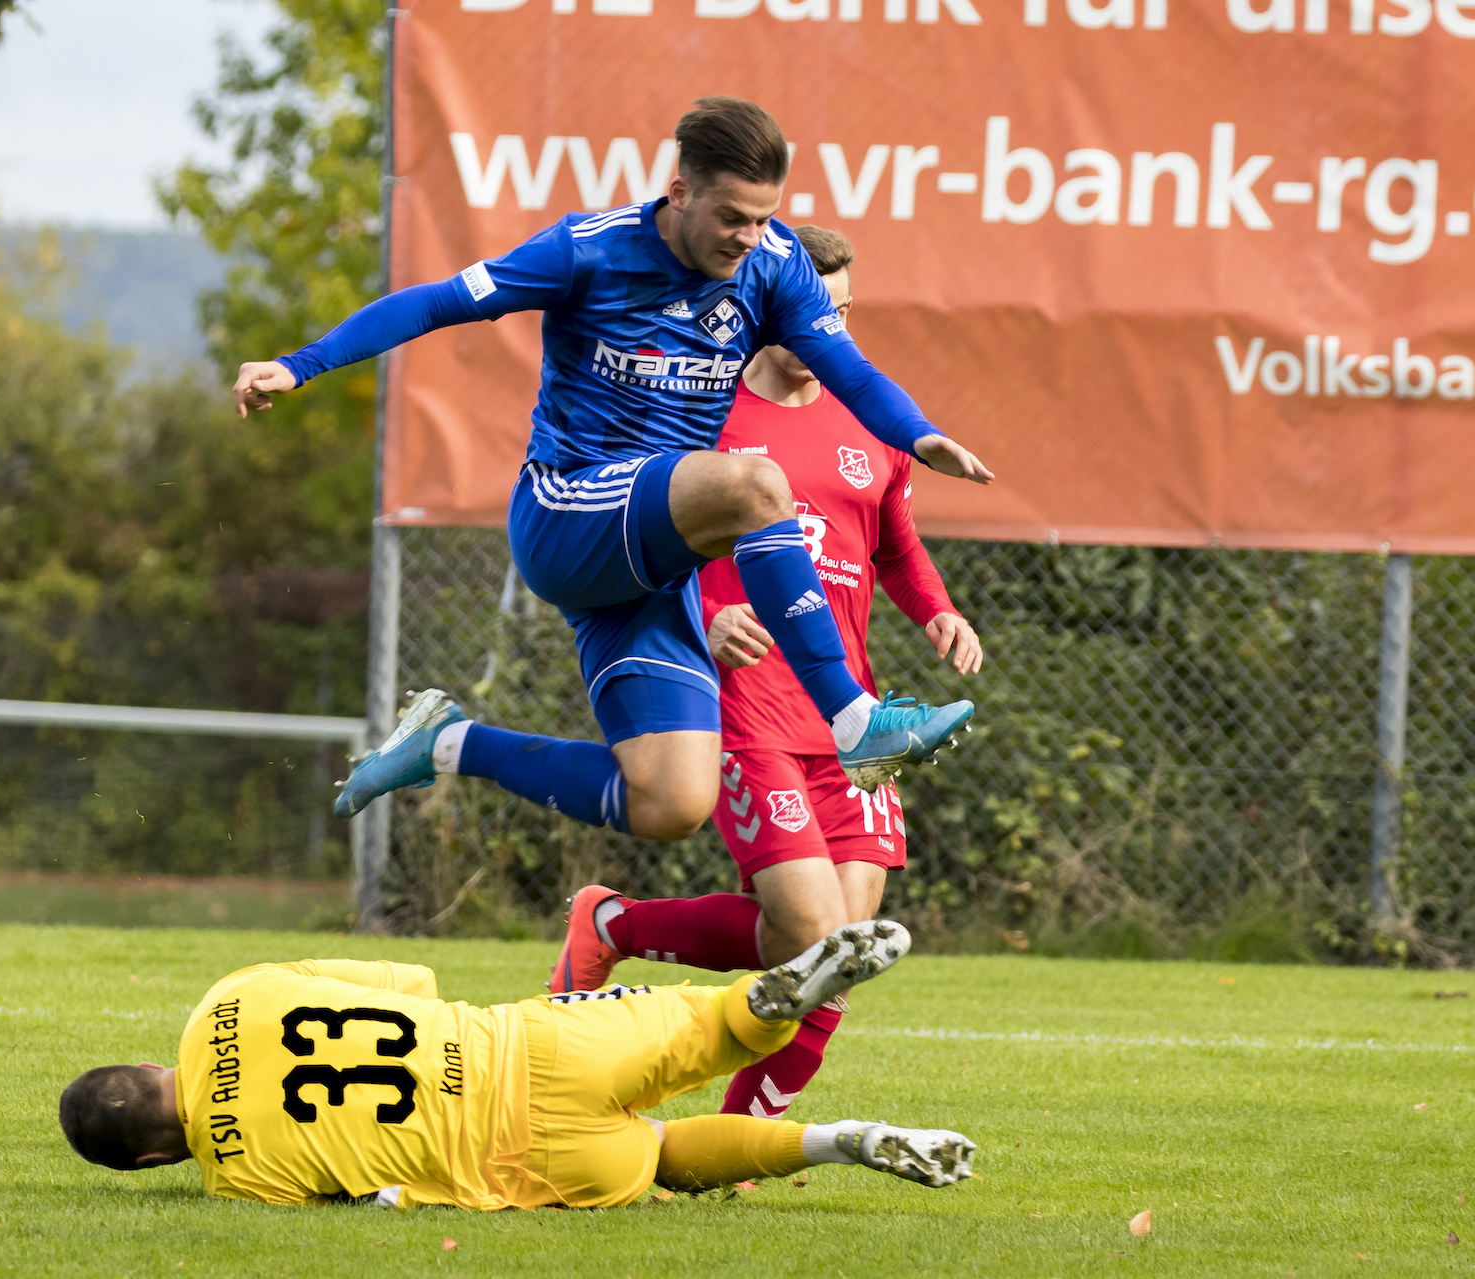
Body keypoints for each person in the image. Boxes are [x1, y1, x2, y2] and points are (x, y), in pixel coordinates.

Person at [231, 97, 991, 844]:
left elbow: (849, 374)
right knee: (756, 484)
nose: (749, 236)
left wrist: (920, 436)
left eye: (763, 217)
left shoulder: (776, 260)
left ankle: (443, 743)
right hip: (566, 514)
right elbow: (436, 304)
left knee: (671, 801)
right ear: (680, 191)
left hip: (652, 565)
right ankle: (854, 720)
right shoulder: (588, 249)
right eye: (732, 216)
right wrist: (299, 366)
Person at [548, 227, 984, 1122]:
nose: (838, 329)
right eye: (824, 312)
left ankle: (730, 1132)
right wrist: (706, 614)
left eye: (848, 312)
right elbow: (652, 542)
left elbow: (896, 546)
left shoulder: (870, 419)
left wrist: (936, 607)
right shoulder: (708, 417)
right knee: (812, 931)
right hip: (749, 710)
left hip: (852, 715)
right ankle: (615, 928)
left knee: (844, 947)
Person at [58, 922, 977, 1208]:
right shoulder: (229, 996)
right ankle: (773, 1000)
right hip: (529, 1043)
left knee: (656, 1157)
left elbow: (358, 1197)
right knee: (714, 1025)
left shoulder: (240, 1177)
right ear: (148, 1062)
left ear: (150, 1159)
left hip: (518, 1159)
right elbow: (406, 978)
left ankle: (834, 1141)